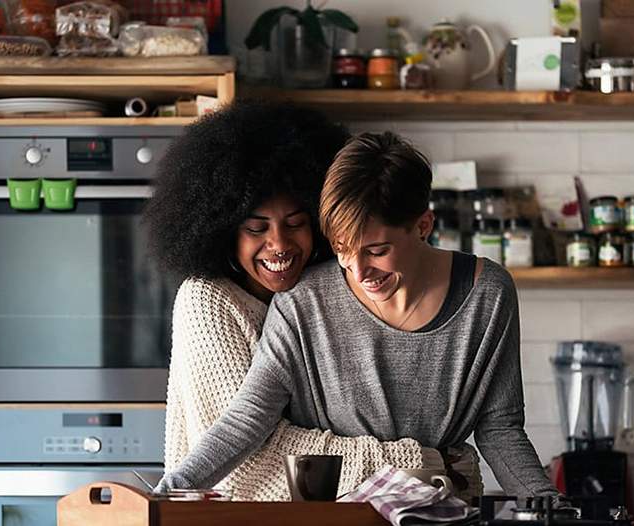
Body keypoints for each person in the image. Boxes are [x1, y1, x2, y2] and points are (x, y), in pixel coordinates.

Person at [155, 131, 559, 501]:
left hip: (443, 509)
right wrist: (168, 491)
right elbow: (248, 417)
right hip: (337, 516)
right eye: (343, 249)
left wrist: (548, 505)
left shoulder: (487, 293)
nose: (358, 270)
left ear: (423, 226)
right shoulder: (303, 300)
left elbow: (499, 426)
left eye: (377, 251)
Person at [144, 104, 424, 501]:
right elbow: (251, 458)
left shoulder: (315, 293)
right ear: (223, 232)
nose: (279, 245)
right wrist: (408, 460)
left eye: (295, 224)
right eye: (256, 228)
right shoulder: (207, 300)